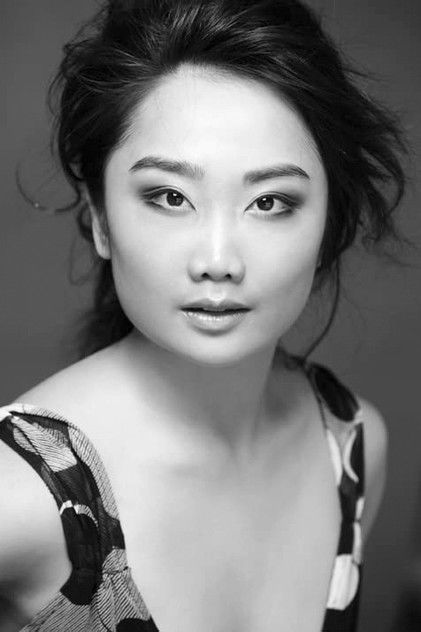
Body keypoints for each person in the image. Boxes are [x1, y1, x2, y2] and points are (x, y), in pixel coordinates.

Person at [0, 0, 410, 630]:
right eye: (170, 196)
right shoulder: (15, 492)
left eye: (269, 202)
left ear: (330, 223)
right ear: (101, 218)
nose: (218, 261)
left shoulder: (352, 448)